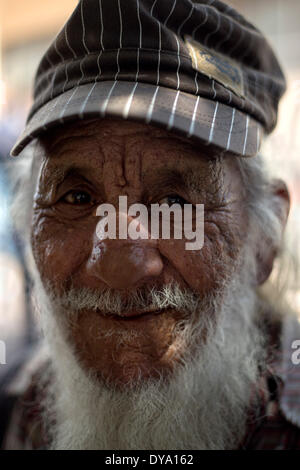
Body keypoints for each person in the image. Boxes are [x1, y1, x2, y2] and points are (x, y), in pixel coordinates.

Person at [1, 0, 300, 450]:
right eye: (78, 198)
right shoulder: (29, 410)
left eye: (176, 203)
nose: (120, 264)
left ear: (265, 237)